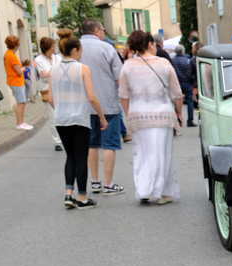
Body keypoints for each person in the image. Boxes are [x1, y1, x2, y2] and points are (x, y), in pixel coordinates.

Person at [119, 30, 183, 205]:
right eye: (154, 44)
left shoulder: (128, 66)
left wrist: (129, 114)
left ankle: (144, 190)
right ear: (149, 44)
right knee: (162, 154)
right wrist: (179, 113)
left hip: (138, 116)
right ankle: (163, 193)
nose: (155, 46)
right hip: (163, 115)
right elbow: (177, 93)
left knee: (142, 154)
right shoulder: (164, 63)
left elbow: (123, 96)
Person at [49, 29, 106, 209]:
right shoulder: (82, 68)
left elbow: (51, 99)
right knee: (81, 157)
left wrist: (62, 109)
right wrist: (102, 117)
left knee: (70, 156)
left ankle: (68, 194)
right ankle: (82, 198)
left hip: (60, 118)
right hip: (79, 118)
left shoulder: (53, 70)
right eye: (80, 51)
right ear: (75, 50)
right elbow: (92, 97)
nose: (81, 54)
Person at [80, 18, 125, 196]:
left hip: (84, 105)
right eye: (104, 30)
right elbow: (119, 78)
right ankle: (109, 184)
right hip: (107, 104)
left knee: (91, 144)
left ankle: (95, 181)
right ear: (97, 31)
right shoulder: (106, 48)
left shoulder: (76, 48)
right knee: (109, 144)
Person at [35, 37, 64, 151]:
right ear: (46, 47)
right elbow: (43, 76)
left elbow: (63, 72)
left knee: (63, 115)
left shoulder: (58, 57)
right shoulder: (39, 60)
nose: (54, 48)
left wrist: (50, 72)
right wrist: (57, 71)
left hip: (61, 90)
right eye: (52, 46)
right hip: (48, 90)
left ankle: (65, 137)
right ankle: (57, 141)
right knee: (53, 116)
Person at [4, 36, 31, 130]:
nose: (19, 45)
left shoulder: (8, 54)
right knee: (21, 103)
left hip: (13, 81)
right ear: (15, 45)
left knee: (22, 102)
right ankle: (20, 123)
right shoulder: (12, 56)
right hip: (16, 82)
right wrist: (23, 69)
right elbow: (19, 71)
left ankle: (22, 122)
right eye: (18, 44)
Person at [171, 44, 195, 127]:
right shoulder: (187, 60)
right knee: (190, 100)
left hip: (176, 83)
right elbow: (190, 72)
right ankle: (190, 120)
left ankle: (176, 120)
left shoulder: (172, 61)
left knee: (176, 101)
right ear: (183, 52)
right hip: (187, 82)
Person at [190, 42, 201, 111]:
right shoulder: (206, 59)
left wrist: (193, 82)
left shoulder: (192, 60)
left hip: (197, 84)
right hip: (206, 84)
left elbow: (189, 74)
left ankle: (200, 120)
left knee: (199, 105)